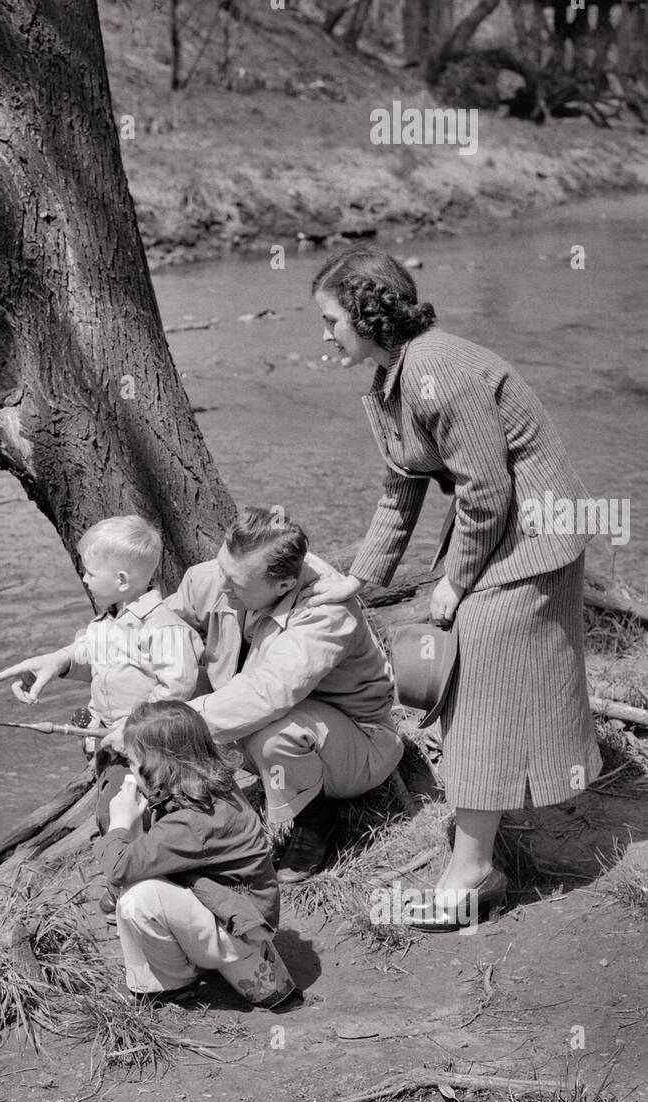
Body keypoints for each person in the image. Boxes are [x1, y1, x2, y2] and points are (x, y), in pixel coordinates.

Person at [309, 246, 602, 926]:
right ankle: (481, 841)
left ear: (368, 312)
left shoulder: (436, 368)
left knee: (474, 673)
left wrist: (454, 580)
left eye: (330, 320)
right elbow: (400, 490)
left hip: (533, 536)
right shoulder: (394, 376)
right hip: (508, 531)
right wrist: (356, 578)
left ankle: (474, 869)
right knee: (475, 678)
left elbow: (485, 492)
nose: (324, 335)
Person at [111, 506, 403, 884]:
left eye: (236, 582)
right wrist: (70, 659)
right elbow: (155, 633)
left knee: (272, 731)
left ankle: (315, 824)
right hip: (265, 722)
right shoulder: (225, 575)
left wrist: (155, 729)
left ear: (283, 585)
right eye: (222, 569)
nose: (222, 585)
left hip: (355, 742)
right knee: (168, 676)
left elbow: (266, 694)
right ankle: (176, 812)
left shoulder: (326, 614)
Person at [0, 515, 203, 831]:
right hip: (109, 741)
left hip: (150, 747)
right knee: (112, 802)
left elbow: (176, 691)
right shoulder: (106, 622)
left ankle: (136, 862)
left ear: (120, 581)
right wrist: (56, 663)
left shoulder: (164, 629)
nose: (84, 579)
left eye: (89, 573)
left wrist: (131, 729)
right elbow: (89, 656)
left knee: (124, 812)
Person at [98, 700, 295, 1008]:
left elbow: (118, 868)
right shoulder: (214, 788)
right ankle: (236, 966)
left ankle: (169, 985)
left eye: (134, 765)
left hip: (237, 932)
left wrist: (121, 823)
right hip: (246, 918)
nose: (130, 774)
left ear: (158, 768)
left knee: (136, 900)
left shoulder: (190, 824)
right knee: (144, 874)